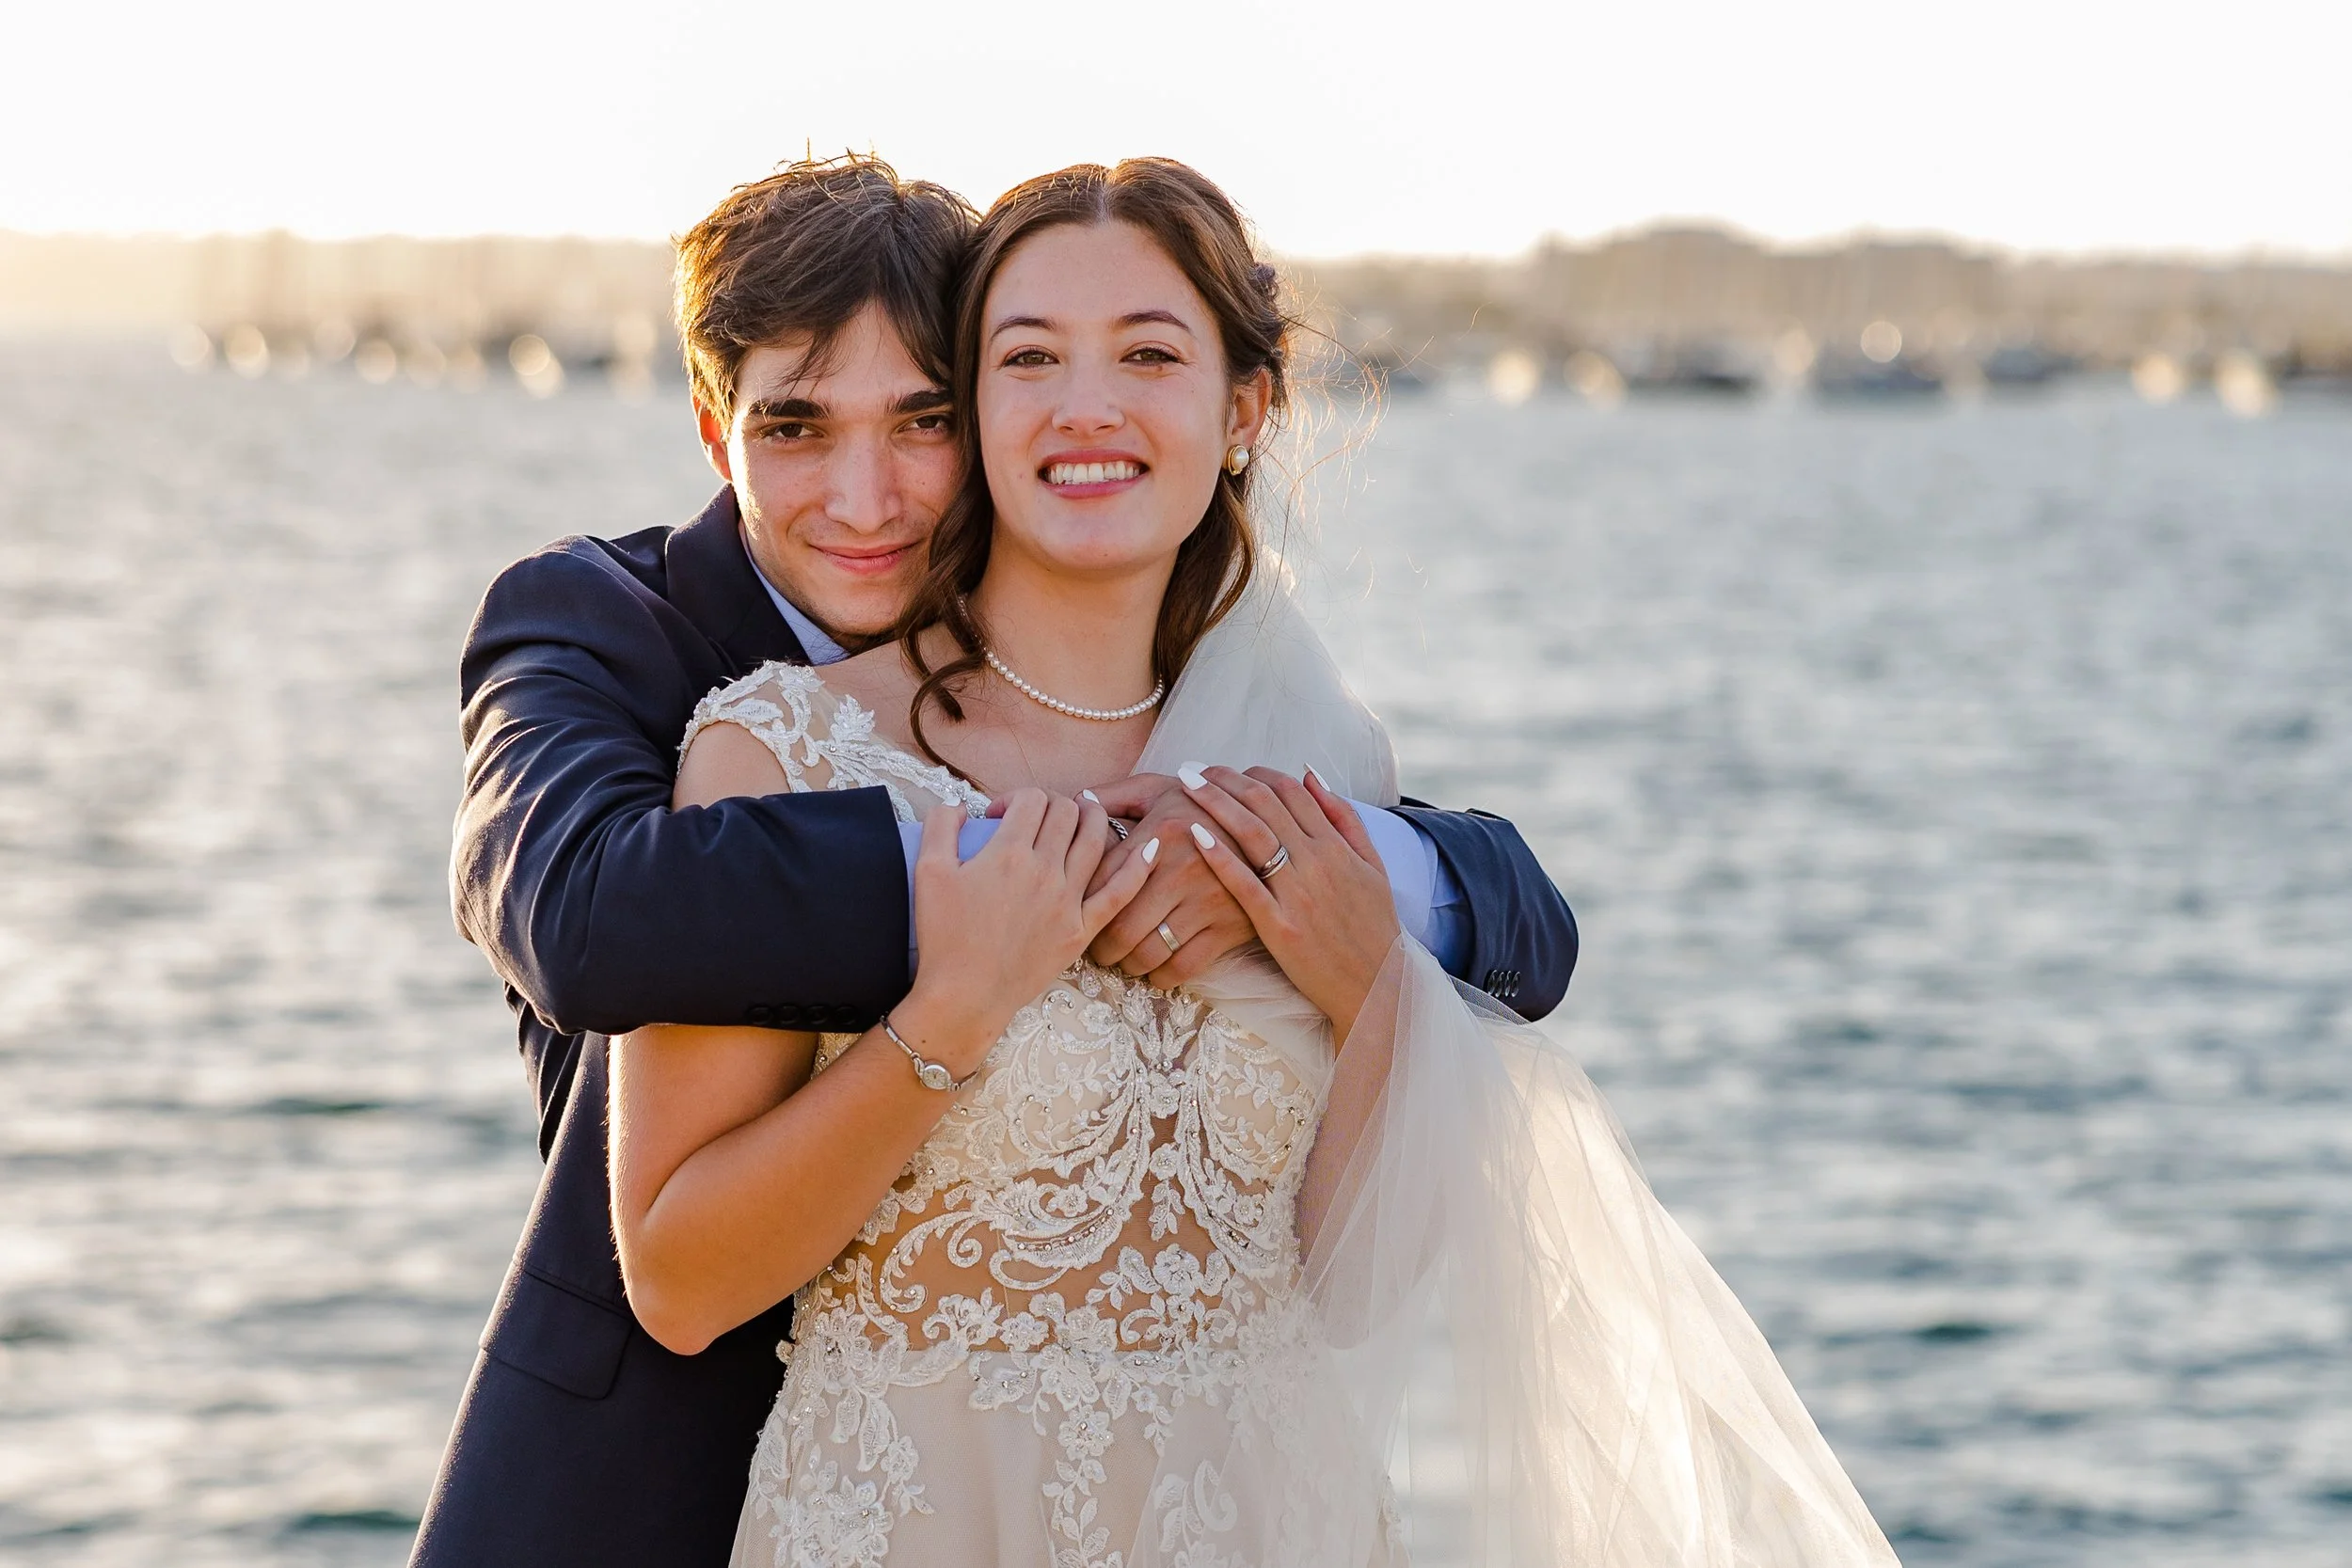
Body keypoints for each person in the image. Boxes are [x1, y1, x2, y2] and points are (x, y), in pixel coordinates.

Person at [618, 159, 1898, 1567]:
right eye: (1028, 357)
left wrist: (1373, 986)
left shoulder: (1317, 762)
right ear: (974, 410)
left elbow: (1343, 1294)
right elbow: (679, 1282)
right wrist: (949, 1020)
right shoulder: (781, 754)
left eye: (1148, 355)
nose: (1085, 406)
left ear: (1244, 409)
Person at [412, 156, 1578, 1568]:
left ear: (1243, 410)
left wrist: (1353, 924)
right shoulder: (685, 683)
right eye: (798, 426)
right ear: (718, 434)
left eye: (922, 420)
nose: (867, 496)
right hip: (726, 1488)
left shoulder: (1283, 750)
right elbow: (591, 912)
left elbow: (1348, 1269)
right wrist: (999, 917)